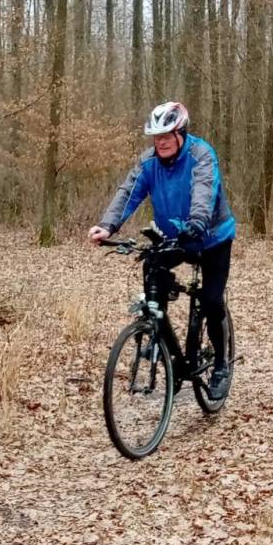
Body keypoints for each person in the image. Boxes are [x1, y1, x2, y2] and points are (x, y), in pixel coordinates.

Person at [87, 100, 236, 394]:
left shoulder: (201, 155)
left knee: (211, 300)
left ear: (181, 134)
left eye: (166, 136)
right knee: (152, 267)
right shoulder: (148, 163)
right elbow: (128, 193)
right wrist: (108, 225)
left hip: (211, 237)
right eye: (156, 137)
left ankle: (221, 364)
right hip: (174, 237)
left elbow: (204, 189)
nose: (161, 142)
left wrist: (197, 222)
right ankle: (160, 338)